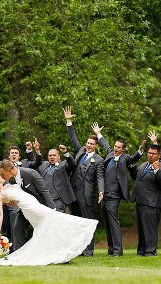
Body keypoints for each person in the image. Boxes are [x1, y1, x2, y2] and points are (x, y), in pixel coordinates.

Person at [92, 123, 146, 257]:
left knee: (114, 222)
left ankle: (118, 251)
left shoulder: (125, 158)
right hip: (104, 194)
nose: (115, 149)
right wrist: (98, 134)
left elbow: (134, 158)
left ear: (123, 149)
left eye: (118, 147)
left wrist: (139, 151)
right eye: (115, 146)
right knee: (107, 222)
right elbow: (105, 144)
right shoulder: (110, 154)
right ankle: (111, 249)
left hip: (114, 195)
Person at [63, 106, 103, 256]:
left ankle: (88, 250)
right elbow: (73, 139)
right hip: (73, 191)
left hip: (86, 194)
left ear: (96, 146)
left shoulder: (99, 160)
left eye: (91, 144)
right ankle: (77, 249)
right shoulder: (81, 151)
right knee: (76, 222)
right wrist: (69, 122)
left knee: (87, 221)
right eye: (87, 143)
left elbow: (100, 177)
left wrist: (101, 190)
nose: (88, 145)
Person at [0, 152, 55, 251]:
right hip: (25, 208)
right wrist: (12, 202)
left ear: (9, 171)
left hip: (41, 207)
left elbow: (44, 191)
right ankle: (18, 253)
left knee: (49, 230)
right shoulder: (11, 180)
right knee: (17, 227)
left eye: (2, 174)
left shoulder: (30, 173)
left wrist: (53, 209)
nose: (1, 177)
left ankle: (55, 252)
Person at [0, 137, 41, 239]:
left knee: (20, 226)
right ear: (9, 156)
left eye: (16, 153)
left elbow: (36, 163)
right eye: (12, 153)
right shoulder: (3, 166)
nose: (14, 154)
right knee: (8, 225)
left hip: (23, 200)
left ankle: (20, 246)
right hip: (7, 202)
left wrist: (31, 151)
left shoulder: (26, 164)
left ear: (19, 156)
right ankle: (9, 246)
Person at [129, 143, 161, 256]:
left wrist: (157, 171)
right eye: (149, 153)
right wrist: (132, 166)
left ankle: (150, 251)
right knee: (141, 228)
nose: (150, 155)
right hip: (140, 200)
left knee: (150, 229)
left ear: (159, 155)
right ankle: (141, 250)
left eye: (153, 153)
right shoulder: (143, 165)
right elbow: (135, 177)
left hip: (151, 203)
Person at [29, 145, 76, 213]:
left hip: (58, 201)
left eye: (54, 155)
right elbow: (34, 164)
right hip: (44, 200)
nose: (52, 157)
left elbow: (73, 165)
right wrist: (37, 151)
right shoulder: (44, 164)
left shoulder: (63, 165)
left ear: (59, 157)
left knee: (56, 221)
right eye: (50, 156)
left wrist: (65, 152)